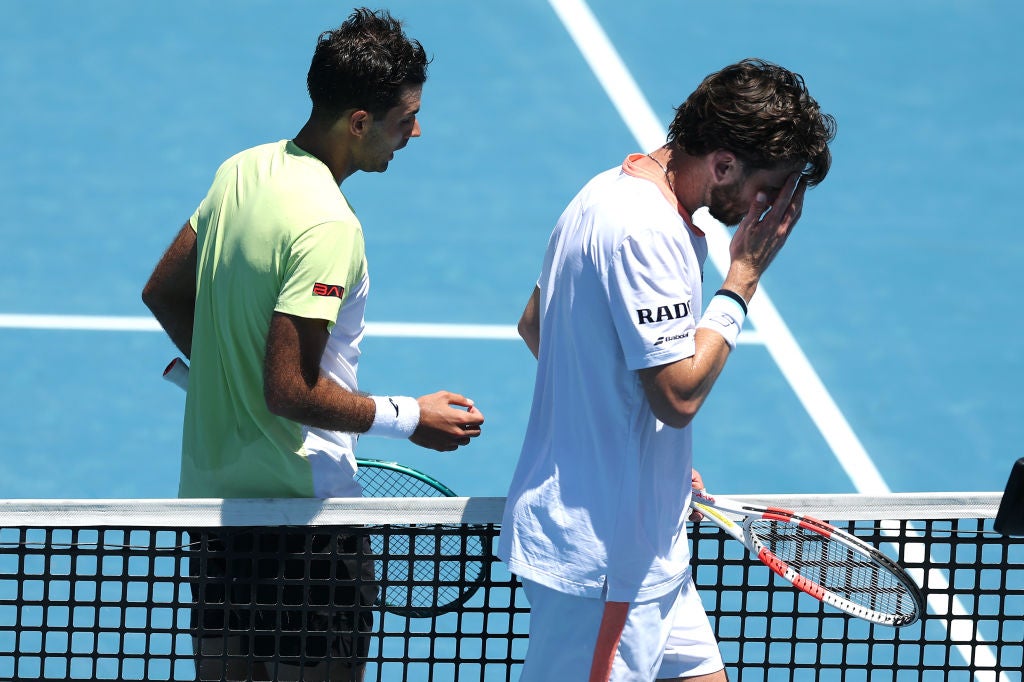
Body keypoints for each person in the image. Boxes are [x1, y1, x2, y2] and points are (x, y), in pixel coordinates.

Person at [141, 8, 485, 681]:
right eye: (403, 117)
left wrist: (223, 373)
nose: (415, 130)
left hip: (218, 516)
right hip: (308, 526)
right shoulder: (329, 224)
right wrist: (410, 418)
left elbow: (163, 291)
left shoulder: (240, 172)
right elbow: (291, 389)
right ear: (359, 122)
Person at [497, 58, 836, 681]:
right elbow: (677, 398)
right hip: (606, 563)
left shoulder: (600, 192)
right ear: (726, 164)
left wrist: (646, 449)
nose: (775, 209)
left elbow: (536, 325)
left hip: (650, 543)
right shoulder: (647, 232)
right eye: (773, 186)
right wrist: (741, 282)